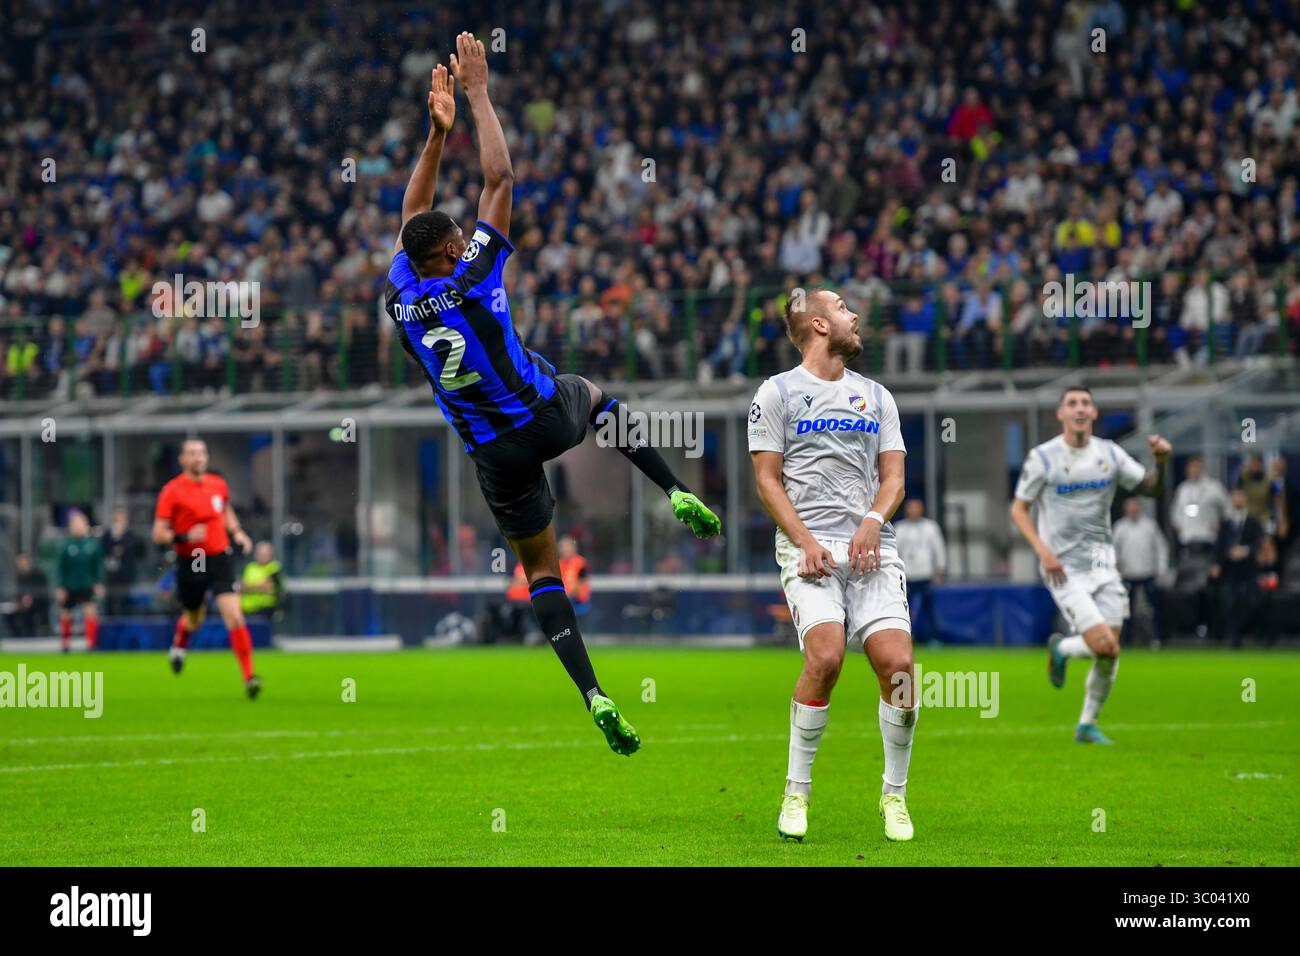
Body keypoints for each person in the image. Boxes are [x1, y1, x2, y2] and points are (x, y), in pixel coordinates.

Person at [383, 37, 720, 756]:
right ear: (453, 251)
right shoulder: (472, 275)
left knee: (541, 570)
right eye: (460, 235)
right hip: (540, 413)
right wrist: (477, 97)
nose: (467, 233)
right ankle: (673, 488)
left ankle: (593, 692)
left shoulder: (402, 297)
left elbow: (412, 217)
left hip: (492, 454)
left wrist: (434, 137)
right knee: (594, 397)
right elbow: (499, 177)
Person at [749, 287, 916, 844]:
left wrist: (872, 519)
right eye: (843, 308)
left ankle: (894, 795)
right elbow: (767, 480)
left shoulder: (877, 396)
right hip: (808, 547)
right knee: (825, 657)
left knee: (899, 667)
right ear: (819, 324)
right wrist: (804, 541)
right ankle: (796, 791)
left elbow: (894, 478)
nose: (855, 315)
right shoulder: (777, 393)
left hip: (871, 546)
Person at [1010, 386, 1171, 745]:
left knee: (1109, 651)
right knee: (1103, 645)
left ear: (1094, 413)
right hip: (1062, 567)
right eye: (1072, 403)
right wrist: (1042, 551)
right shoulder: (1043, 457)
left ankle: (1085, 722)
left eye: (1085, 403)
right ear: (1061, 414)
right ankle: (1063, 651)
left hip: (1103, 563)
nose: (1079, 409)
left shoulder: (1109, 453)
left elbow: (1150, 489)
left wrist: (1160, 463)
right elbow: (1019, 509)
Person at [152, 438, 260, 698]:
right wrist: (185, 536)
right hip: (192, 559)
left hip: (220, 557)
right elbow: (158, 533)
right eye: (192, 453)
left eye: (202, 452)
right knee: (194, 619)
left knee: (234, 616)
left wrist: (237, 532)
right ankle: (180, 643)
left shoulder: (217, 484)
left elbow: (225, 510)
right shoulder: (172, 490)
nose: (198, 457)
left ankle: (249, 677)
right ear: (182, 459)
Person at [1112, 497, 1169, 647]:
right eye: (1130, 507)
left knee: (1155, 607)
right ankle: (1127, 639)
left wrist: (1161, 569)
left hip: (1148, 573)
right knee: (1126, 610)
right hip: (1127, 574)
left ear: (1139, 508)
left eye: (1135, 507)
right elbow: (1112, 549)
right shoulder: (1120, 527)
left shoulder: (1150, 526)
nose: (1132, 510)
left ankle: (1158, 637)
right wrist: (1114, 565)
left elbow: (1161, 548)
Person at [1210, 488, 1264, 647]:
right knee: (1230, 602)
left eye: (1240, 496)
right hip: (1230, 569)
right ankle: (1234, 637)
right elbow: (1219, 545)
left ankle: (1253, 633)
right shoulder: (1226, 523)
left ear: (1245, 499)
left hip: (1248, 568)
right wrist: (1217, 563)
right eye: (1234, 497)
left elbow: (1258, 542)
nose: (1237, 499)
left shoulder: (1253, 522)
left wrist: (1245, 551)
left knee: (1252, 601)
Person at [893, 498, 946, 645]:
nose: (914, 511)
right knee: (903, 609)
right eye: (911, 508)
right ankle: (906, 638)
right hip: (907, 575)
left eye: (917, 507)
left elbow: (938, 548)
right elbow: (895, 551)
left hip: (926, 574)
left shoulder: (930, 527)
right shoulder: (899, 527)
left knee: (929, 609)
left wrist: (939, 569)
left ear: (922, 509)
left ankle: (932, 638)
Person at [56, 511, 103, 652]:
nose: (78, 527)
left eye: (80, 523)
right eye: (75, 524)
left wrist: (98, 583)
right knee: (66, 614)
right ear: (71, 526)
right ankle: (65, 645)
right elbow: (61, 568)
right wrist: (60, 587)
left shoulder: (92, 544)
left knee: (90, 612)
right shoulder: (66, 545)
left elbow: (98, 566)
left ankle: (91, 645)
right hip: (69, 585)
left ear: (86, 525)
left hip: (87, 585)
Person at [102, 505, 141, 616]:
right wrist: (114, 538)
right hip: (111, 573)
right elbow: (104, 549)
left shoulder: (130, 535)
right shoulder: (108, 534)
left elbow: (136, 548)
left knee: (125, 598)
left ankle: (125, 619)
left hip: (126, 573)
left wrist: (122, 544)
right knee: (110, 599)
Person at [7, 552, 49, 638]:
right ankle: (18, 637)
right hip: (23, 604)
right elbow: (17, 592)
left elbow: (43, 590)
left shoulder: (38, 574)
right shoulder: (19, 576)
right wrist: (17, 600)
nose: (22, 564)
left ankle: (33, 634)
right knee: (9, 615)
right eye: (20, 562)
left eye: (24, 561)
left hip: (38, 603)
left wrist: (31, 598)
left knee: (29, 613)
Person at [240, 541, 284, 620]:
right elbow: (242, 587)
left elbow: (269, 587)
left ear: (270, 555)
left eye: (265, 554)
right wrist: (260, 586)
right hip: (246, 610)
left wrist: (250, 586)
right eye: (260, 554)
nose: (262, 556)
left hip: (265, 610)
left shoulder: (275, 567)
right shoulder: (250, 567)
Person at [557, 535, 591, 617]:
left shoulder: (580, 562)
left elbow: (582, 581)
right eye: (563, 547)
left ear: (574, 547)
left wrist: (568, 594)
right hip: (563, 602)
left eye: (568, 546)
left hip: (579, 603)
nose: (566, 549)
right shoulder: (558, 564)